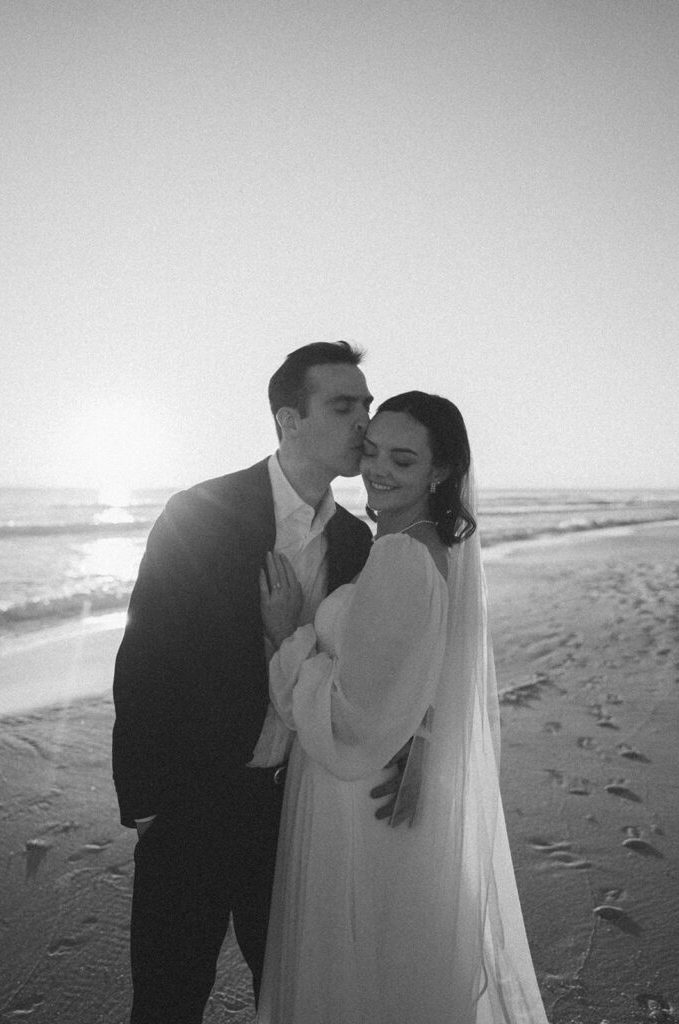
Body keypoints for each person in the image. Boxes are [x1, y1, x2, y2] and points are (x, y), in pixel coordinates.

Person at [254, 391, 551, 1023]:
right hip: (382, 782)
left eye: (404, 459)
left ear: (439, 472)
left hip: (350, 792)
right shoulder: (430, 548)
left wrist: (289, 637)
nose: (378, 469)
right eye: (371, 450)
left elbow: (349, 716)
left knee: (350, 970)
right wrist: (420, 737)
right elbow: (428, 673)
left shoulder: (399, 555)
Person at [112, 341, 376, 1023]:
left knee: (291, 999)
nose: (363, 424)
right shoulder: (200, 511)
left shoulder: (355, 542)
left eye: (366, 406)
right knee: (168, 1002)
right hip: (190, 806)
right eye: (344, 406)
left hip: (293, 812)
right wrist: (146, 806)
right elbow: (145, 660)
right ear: (288, 419)